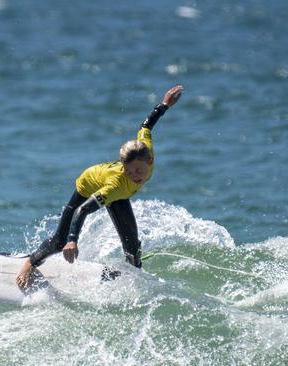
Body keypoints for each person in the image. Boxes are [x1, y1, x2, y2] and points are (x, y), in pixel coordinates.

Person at [16, 85, 183, 289]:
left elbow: (145, 127)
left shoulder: (146, 150)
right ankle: (30, 263)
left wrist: (164, 105)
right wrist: (72, 240)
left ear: (149, 161)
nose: (134, 177)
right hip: (89, 184)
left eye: (138, 171)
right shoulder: (114, 185)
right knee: (59, 242)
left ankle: (133, 276)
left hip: (120, 195)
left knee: (132, 246)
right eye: (129, 172)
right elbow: (82, 209)